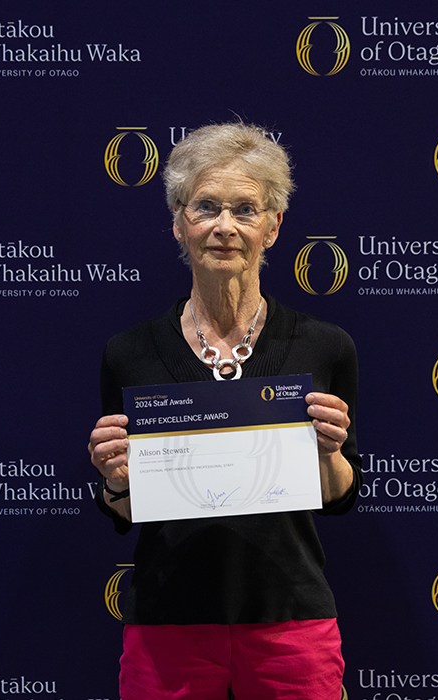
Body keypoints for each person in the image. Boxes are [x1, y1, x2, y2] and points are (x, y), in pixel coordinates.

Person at [87, 122, 362, 700]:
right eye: (206, 207)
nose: (225, 226)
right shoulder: (129, 353)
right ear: (179, 222)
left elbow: (338, 495)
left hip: (290, 617)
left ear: (273, 226)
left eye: (245, 209)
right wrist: (115, 480)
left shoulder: (325, 346)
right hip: (168, 623)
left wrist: (332, 453)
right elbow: (127, 506)